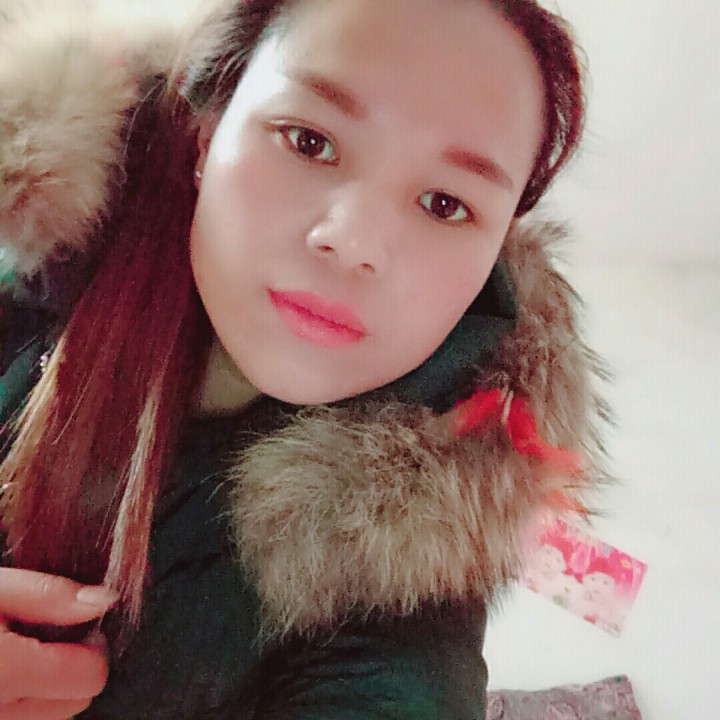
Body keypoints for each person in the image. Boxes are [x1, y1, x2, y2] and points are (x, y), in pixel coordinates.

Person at [0, 0, 606, 717]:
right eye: (310, 141)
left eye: (445, 204)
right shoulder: (26, 252)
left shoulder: (411, 561)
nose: (353, 243)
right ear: (207, 138)